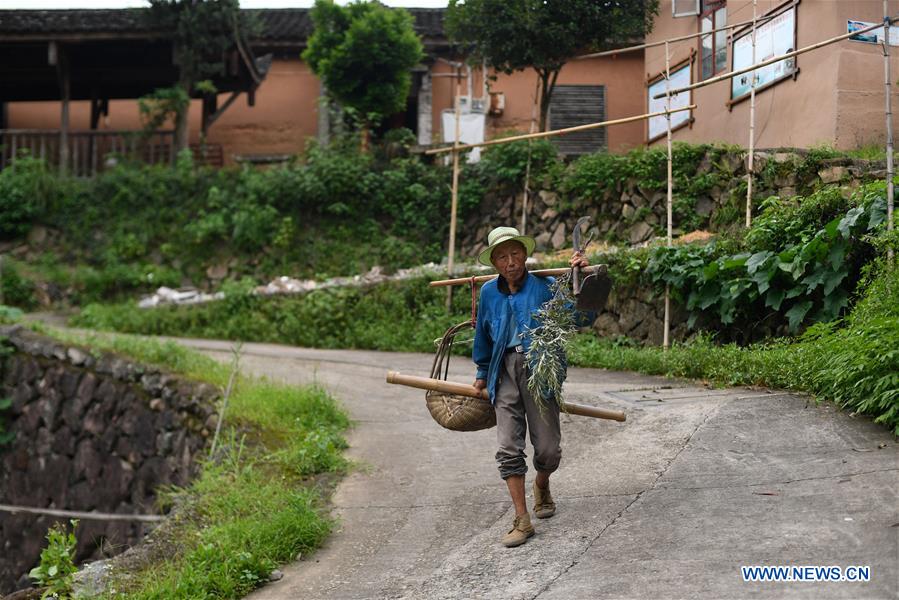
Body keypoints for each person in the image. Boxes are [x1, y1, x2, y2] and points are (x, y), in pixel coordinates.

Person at [472, 226, 588, 548]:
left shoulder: (546, 287)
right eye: (502, 257)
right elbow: (483, 334)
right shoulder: (488, 294)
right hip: (503, 372)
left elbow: (582, 316)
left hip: (539, 369)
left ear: (525, 255)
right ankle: (522, 519)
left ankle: (542, 483)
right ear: (494, 263)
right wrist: (482, 374)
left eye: (515, 254)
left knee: (548, 449)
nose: (510, 262)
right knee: (508, 446)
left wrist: (581, 275)